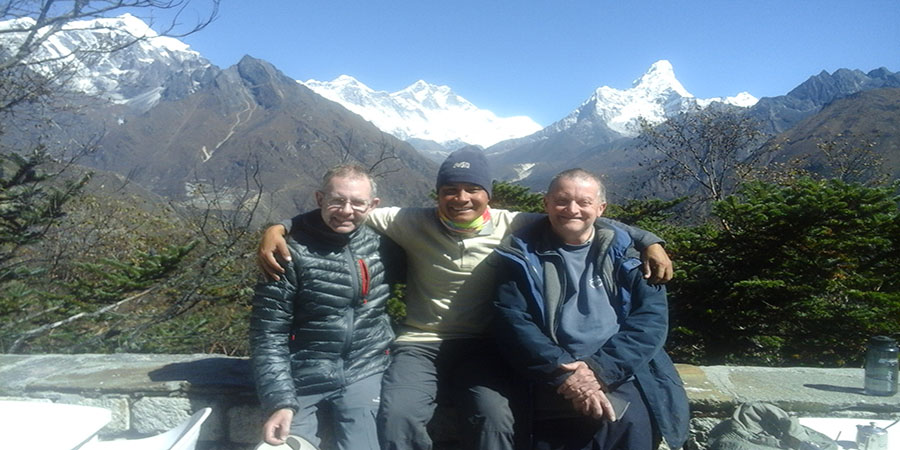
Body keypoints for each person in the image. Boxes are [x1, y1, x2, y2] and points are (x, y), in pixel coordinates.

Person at [256, 147, 674, 450]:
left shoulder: (516, 224)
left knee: (494, 416)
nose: (461, 198)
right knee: (398, 416)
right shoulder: (405, 220)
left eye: (473, 188)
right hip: (420, 343)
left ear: (488, 194)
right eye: (450, 189)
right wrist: (279, 227)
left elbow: (579, 215)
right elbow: (345, 211)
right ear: (437, 193)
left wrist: (648, 240)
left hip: (484, 345)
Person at [492, 168, 689, 450]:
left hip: (620, 370)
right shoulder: (520, 254)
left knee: (629, 427)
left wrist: (598, 372)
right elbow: (513, 320)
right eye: (562, 200)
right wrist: (567, 374)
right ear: (545, 203)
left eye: (584, 202)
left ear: (600, 208)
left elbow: (651, 321)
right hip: (551, 372)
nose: (572, 209)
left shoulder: (631, 255)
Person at [250, 164, 402, 450]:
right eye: (337, 200)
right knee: (280, 446)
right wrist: (279, 401)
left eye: (357, 202)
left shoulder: (385, 246)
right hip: (303, 373)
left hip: (365, 369)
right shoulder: (288, 253)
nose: (346, 210)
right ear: (320, 199)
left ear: (373, 206)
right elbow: (267, 335)